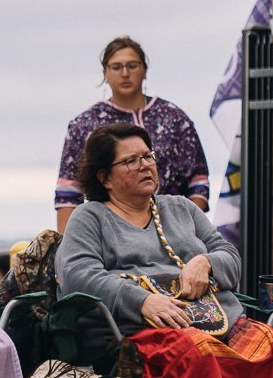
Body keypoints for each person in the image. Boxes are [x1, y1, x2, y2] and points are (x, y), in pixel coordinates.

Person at [57, 123, 273, 378]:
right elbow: (78, 275)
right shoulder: (90, 217)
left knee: (264, 341)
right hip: (135, 332)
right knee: (191, 347)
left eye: (149, 156)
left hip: (212, 319)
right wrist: (142, 300)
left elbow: (229, 256)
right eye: (131, 161)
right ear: (105, 177)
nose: (146, 165)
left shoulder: (181, 208)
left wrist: (205, 263)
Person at [55, 36, 209, 234]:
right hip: (108, 232)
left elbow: (198, 181)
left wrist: (185, 228)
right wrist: (66, 244)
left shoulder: (174, 118)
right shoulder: (84, 125)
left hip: (173, 229)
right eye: (116, 67)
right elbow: (68, 192)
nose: (125, 73)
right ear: (105, 73)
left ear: (144, 70)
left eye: (132, 66)